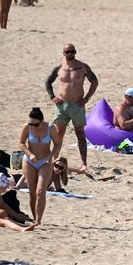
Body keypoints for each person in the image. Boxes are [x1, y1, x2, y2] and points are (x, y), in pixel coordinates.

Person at [45, 43, 99, 174]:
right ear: (63, 53)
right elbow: (48, 82)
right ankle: (55, 160)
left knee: (80, 134)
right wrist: (52, 96)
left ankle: (84, 164)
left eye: (72, 51)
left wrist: (86, 98)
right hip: (62, 105)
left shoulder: (82, 67)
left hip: (77, 105)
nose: (70, 54)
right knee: (59, 134)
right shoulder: (59, 68)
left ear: (75, 52)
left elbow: (95, 82)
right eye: (67, 52)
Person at [17, 107, 55, 229]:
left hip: (45, 161)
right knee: (32, 193)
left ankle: (38, 220)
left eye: (35, 124)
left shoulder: (50, 128)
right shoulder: (27, 127)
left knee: (40, 191)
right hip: (29, 161)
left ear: (41, 120)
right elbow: (21, 143)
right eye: (30, 123)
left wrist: (51, 155)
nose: (33, 125)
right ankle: (34, 218)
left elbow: (58, 143)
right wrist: (29, 154)